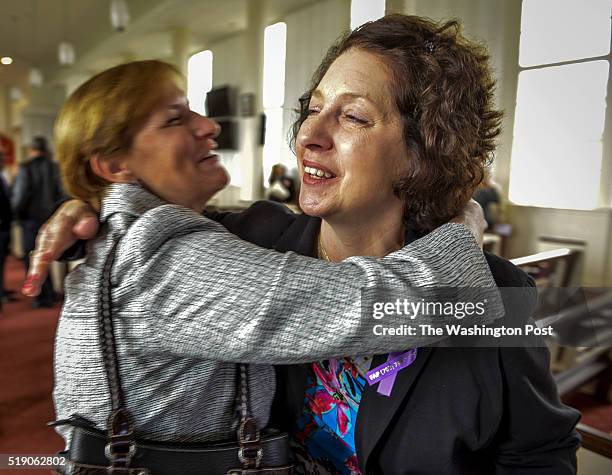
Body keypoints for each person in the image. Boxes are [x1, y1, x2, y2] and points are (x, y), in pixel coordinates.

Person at [29, 16, 579, 473]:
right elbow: (156, 241)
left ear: (422, 153)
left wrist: (98, 208)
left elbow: (539, 454)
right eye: (312, 108)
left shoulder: (496, 293)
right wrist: (94, 207)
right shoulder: (251, 240)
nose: (308, 137)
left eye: (354, 116)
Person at [12, 136, 63, 307]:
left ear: (31, 150)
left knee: (33, 258)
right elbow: (61, 194)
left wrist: (15, 214)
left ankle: (41, 297)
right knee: (48, 256)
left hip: (30, 221)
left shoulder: (26, 167)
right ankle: (51, 293)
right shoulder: (54, 167)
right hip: (51, 220)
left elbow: (20, 196)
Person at [0, 150, 13, 304]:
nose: (4, 161)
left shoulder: (3, 176)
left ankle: (2, 290)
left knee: (3, 260)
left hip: (5, 225)